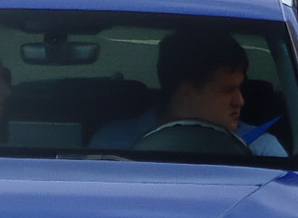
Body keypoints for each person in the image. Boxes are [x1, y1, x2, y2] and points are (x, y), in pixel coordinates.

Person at [93, 25, 287, 157]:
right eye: (228, 90)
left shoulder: (262, 150)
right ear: (187, 93)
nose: (240, 101)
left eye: (240, 88)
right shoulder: (113, 142)